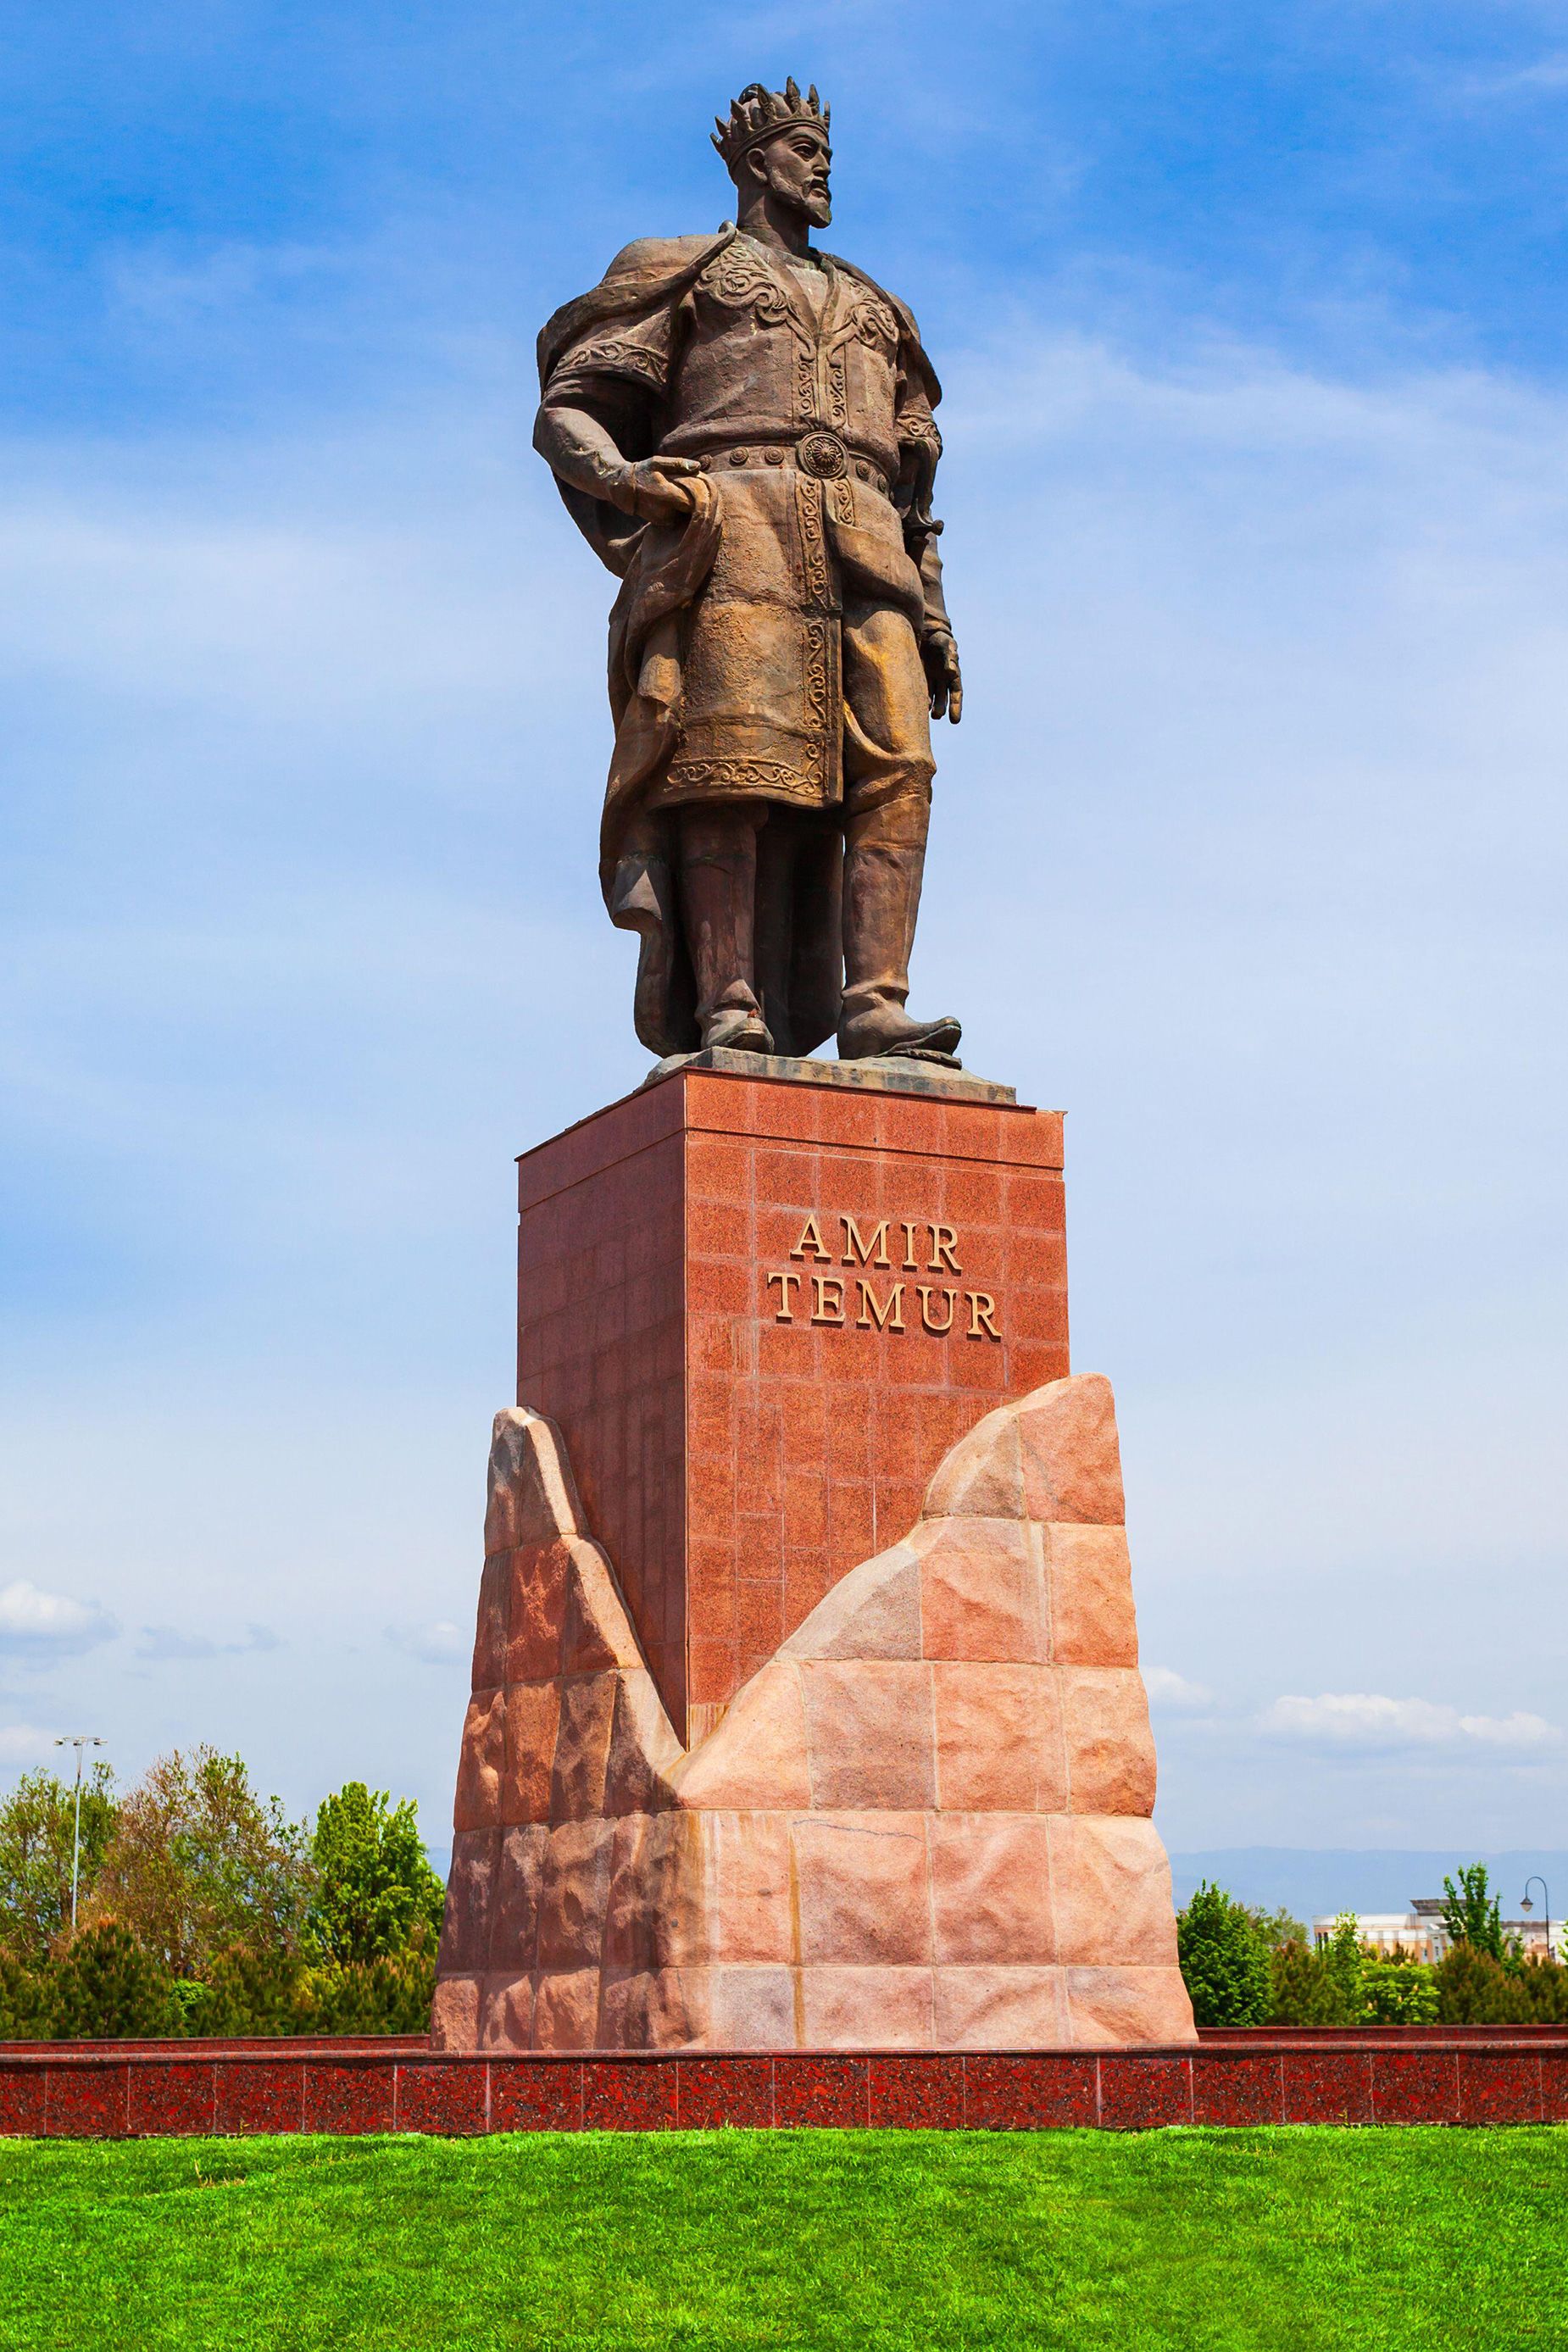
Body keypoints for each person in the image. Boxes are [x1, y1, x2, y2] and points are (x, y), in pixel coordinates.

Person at [535, 80, 965, 1062]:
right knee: (729, 767)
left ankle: (875, 1003)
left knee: (901, 763)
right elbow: (566, 414)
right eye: (802, 149)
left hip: (866, 545)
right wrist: (630, 477)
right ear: (752, 162)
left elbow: (917, 494)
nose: (820, 167)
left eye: (824, 152)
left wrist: (934, 613)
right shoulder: (683, 273)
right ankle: (727, 1001)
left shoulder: (874, 305)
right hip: (734, 528)